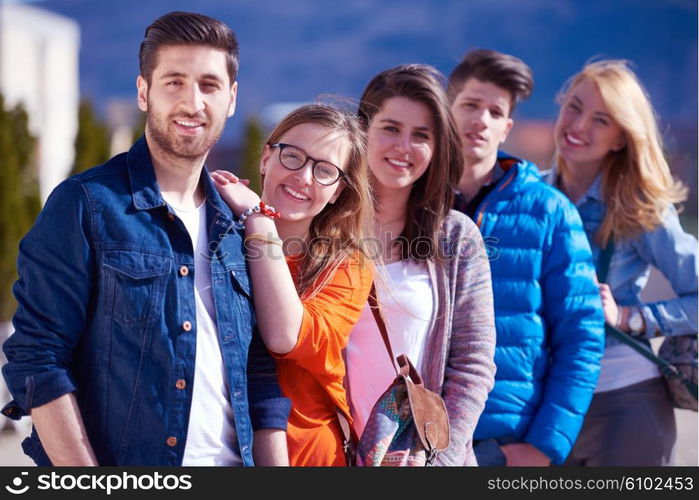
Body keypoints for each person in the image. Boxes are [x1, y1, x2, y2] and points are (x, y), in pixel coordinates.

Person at [1, 11, 290, 466]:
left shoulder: (236, 226)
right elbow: (38, 358)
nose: (192, 102)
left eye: (209, 85)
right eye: (174, 82)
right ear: (144, 92)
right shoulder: (86, 205)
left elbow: (258, 374)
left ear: (231, 99)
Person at [447, 49, 605, 466]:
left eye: (495, 112)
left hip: (504, 440)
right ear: (446, 109)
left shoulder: (549, 211)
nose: (481, 119)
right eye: (470, 105)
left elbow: (582, 336)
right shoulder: (408, 201)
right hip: (417, 430)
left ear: (506, 128)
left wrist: (543, 447)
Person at [345, 64, 497, 466]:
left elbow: (473, 366)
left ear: (438, 148)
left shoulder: (456, 236)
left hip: (418, 459)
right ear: (363, 130)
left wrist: (439, 459)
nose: (404, 147)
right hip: (330, 451)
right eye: (391, 128)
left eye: (421, 136)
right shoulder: (323, 222)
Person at [548, 60, 698, 466]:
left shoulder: (638, 207)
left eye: (601, 119)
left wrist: (631, 317)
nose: (578, 126)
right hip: (546, 409)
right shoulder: (531, 196)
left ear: (619, 138)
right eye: (574, 107)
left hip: (622, 402)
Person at [212, 103, 374, 466]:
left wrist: (258, 218)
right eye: (293, 156)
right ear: (267, 157)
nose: (304, 177)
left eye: (325, 170)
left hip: (308, 458)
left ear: (337, 192)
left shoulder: (347, 267)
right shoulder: (217, 238)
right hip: (216, 450)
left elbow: (285, 335)